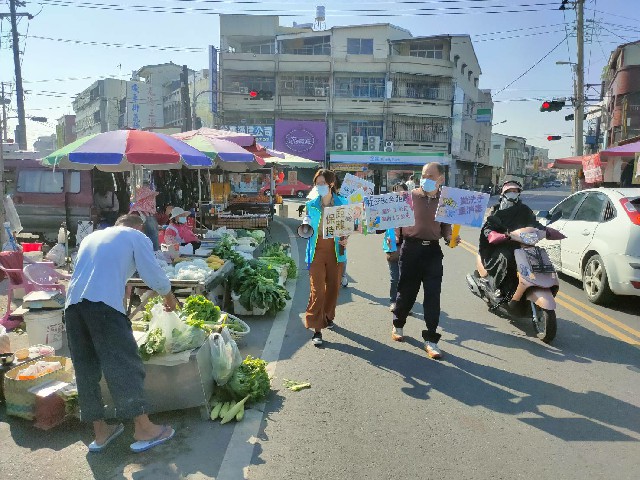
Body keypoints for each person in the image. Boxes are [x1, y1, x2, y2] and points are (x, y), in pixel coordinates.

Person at [64, 214, 178, 453]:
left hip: (73, 307)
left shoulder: (92, 237)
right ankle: (143, 428)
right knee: (123, 364)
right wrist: (168, 295)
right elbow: (152, 272)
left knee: (86, 369)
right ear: (138, 227)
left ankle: (101, 432)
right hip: (103, 308)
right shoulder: (136, 236)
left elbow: (95, 272)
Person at [391, 162, 459, 359]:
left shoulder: (445, 201)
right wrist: (394, 238)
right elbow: (396, 221)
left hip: (433, 253)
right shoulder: (408, 197)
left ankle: (431, 339)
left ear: (440, 179)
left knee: (433, 296)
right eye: (423, 175)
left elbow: (446, 226)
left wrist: (450, 237)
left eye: (430, 176)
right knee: (406, 292)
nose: (425, 180)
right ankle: (398, 324)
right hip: (410, 249)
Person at [476, 180, 546, 302]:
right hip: (501, 244)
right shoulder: (496, 210)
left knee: (537, 256)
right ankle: (498, 287)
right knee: (506, 258)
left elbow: (534, 223)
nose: (512, 193)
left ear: (519, 193)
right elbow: (489, 226)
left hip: (521, 243)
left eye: (515, 191)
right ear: (503, 193)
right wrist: (493, 234)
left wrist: (544, 230)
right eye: (509, 191)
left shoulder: (524, 209)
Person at [303, 169, 348, 346]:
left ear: (331, 183)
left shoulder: (342, 203)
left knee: (333, 289)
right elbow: (306, 227)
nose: (319, 186)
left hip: (336, 251)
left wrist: (345, 238)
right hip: (316, 251)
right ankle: (317, 329)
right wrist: (305, 228)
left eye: (323, 183)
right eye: (317, 183)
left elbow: (349, 227)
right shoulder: (311, 204)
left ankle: (328, 316)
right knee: (318, 290)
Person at [384, 183, 408, 312]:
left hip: (409, 248)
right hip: (392, 248)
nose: (397, 195)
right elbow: (377, 228)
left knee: (406, 278)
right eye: (394, 192)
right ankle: (393, 301)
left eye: (400, 192)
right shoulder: (386, 209)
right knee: (395, 278)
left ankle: (404, 303)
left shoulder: (411, 209)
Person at [130, 183, 160, 251]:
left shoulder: (150, 213)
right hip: (143, 250)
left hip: (154, 250)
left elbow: (159, 221)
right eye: (149, 197)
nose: (152, 200)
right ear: (142, 199)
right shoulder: (135, 213)